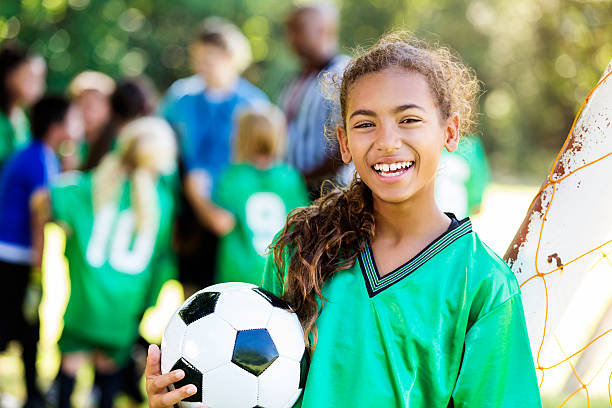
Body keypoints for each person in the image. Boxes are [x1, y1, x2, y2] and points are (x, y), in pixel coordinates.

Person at [145, 32, 543, 408]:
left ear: (451, 132)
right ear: (344, 143)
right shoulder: (301, 249)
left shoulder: (483, 285)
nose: (387, 141)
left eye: (409, 119)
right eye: (366, 123)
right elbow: (255, 390)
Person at [32, 116, 177, 408]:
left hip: (85, 298)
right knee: (107, 378)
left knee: (69, 368)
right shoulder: (161, 200)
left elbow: (41, 201)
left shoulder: (93, 184)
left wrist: (42, 260)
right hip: (123, 306)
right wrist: (146, 305)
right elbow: (161, 263)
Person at [162, 17, 268, 296]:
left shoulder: (252, 103)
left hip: (228, 207)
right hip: (186, 203)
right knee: (190, 284)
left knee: (225, 286)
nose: (201, 66)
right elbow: (163, 141)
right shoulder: (181, 96)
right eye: (198, 58)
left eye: (210, 59)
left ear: (231, 57)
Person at [0, 96, 80, 408]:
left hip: (15, 256)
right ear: (57, 126)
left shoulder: (41, 155)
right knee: (15, 326)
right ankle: (33, 394)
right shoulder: (38, 159)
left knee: (28, 329)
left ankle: (33, 393)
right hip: (12, 258)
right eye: (73, 121)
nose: (78, 128)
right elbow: (39, 217)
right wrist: (38, 270)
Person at [213, 105, 309, 285]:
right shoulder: (289, 176)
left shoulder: (233, 177)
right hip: (281, 273)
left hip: (240, 275)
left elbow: (221, 221)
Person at [280, 5, 351, 199]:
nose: (291, 37)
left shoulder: (342, 74)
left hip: (333, 196)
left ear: (323, 29)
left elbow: (349, 140)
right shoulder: (296, 80)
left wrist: (305, 178)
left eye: (298, 28)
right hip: (297, 195)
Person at [0, 45, 46, 170]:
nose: (38, 85)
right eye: (31, 77)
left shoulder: (22, 119)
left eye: (41, 79)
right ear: (8, 75)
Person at [67, 70, 115, 169]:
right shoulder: (68, 142)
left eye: (95, 105)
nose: (88, 112)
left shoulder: (116, 145)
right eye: (82, 103)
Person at [435, 134, 490, 218]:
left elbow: (478, 176)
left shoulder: (471, 146)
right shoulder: (433, 142)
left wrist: (476, 200)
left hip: (459, 203)